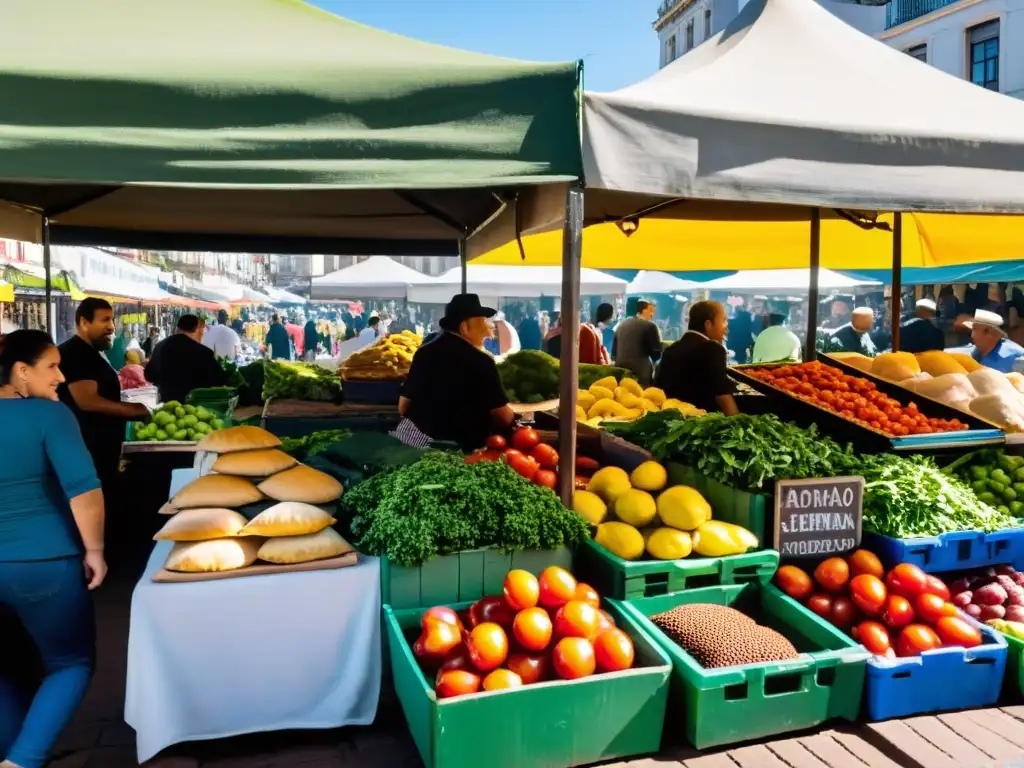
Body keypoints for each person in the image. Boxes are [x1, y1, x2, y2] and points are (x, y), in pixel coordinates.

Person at [0, 330, 106, 768]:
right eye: (52, 366)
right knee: (71, 663)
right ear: (21, 372)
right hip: (43, 562)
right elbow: (84, 491)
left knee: (5, 668)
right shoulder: (51, 417)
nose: (61, 376)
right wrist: (95, 551)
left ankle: (14, 753)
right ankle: (23, 760)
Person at [395, 294, 515, 451]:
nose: (489, 328)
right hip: (460, 451)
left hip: (415, 445)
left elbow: (403, 407)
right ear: (465, 327)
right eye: (484, 321)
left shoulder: (423, 352)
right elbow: (503, 416)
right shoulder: (480, 361)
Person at [57, 299, 149, 502]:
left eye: (112, 320)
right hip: (86, 453)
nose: (111, 327)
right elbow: (87, 400)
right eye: (105, 320)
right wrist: (134, 410)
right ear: (83, 322)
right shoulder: (76, 354)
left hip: (99, 452)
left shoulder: (91, 353)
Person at [656, 300, 740, 415]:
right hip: (700, 421)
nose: (726, 326)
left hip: (670, 418)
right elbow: (722, 394)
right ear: (708, 325)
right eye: (724, 320)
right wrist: (738, 421)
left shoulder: (671, 349)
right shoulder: (712, 349)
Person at [145, 315, 228, 404]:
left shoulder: (160, 346)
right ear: (196, 329)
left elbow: (149, 376)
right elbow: (219, 380)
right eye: (201, 331)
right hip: (195, 408)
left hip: (167, 406)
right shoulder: (204, 352)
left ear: (178, 327)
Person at [613, 299, 663, 386]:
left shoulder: (622, 325)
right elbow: (656, 355)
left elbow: (613, 354)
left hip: (620, 373)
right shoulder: (650, 326)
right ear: (643, 310)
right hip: (641, 375)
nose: (652, 315)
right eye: (651, 311)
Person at [956, 309, 1024, 372]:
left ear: (988, 332)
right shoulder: (972, 354)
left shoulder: (1015, 358)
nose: (972, 336)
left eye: (975, 329)